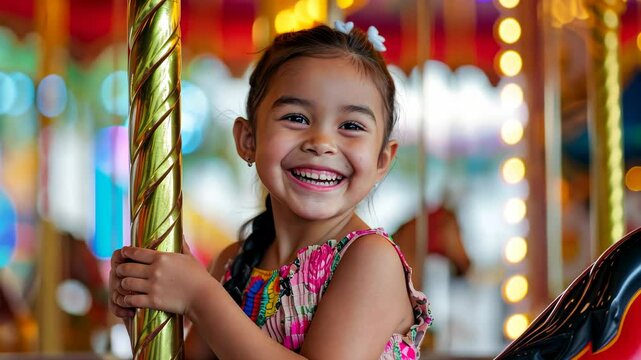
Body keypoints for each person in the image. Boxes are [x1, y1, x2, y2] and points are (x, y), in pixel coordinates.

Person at [109, 22, 432, 359]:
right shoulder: (234, 263)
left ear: (382, 160)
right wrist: (147, 309)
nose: (321, 143)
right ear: (248, 140)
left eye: (351, 126)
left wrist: (200, 297)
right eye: (296, 118)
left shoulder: (369, 260)